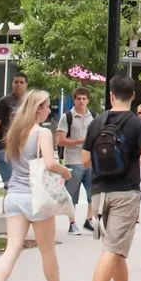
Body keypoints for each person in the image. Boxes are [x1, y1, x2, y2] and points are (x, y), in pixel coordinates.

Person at [0, 90, 80, 281]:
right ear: (39, 108)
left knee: (11, 249)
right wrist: (65, 171)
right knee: (48, 251)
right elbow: (49, 163)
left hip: (14, 196)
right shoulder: (42, 133)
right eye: (47, 106)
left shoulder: (15, 131)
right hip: (35, 197)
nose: (50, 109)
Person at [81, 75, 141, 281]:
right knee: (113, 249)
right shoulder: (137, 124)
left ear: (111, 95)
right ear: (133, 96)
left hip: (99, 193)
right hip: (126, 193)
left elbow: (84, 160)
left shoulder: (96, 123)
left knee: (115, 248)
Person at [56, 87, 96, 236]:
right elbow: (60, 140)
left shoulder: (93, 117)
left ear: (88, 100)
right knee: (72, 193)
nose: (81, 101)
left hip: (90, 161)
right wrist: (80, 141)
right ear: (74, 100)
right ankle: (72, 222)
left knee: (93, 192)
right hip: (73, 160)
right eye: (78, 98)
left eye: (84, 98)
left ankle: (89, 219)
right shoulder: (67, 117)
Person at [0, 72, 28, 186]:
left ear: (26, 85)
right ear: (12, 84)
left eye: (21, 82)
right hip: (4, 149)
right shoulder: (4, 102)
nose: (18, 84)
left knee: (22, 186)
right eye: (16, 82)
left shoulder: (29, 102)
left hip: (23, 150)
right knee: (11, 186)